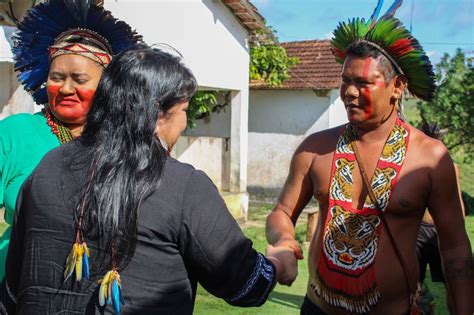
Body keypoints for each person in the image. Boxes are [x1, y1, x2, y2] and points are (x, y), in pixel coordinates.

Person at [0, 44, 295, 314]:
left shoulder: (49, 165)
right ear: (157, 115)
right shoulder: (184, 186)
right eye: (183, 111)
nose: (183, 123)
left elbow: (14, 288)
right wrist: (278, 261)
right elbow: (245, 285)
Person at [266, 1, 474, 314]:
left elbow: (456, 249)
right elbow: (282, 211)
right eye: (345, 80)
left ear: (398, 87)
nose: (349, 92)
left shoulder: (431, 158)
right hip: (317, 309)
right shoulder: (314, 149)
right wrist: (283, 241)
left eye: (363, 82)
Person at [0, 0, 141, 280]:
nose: (65, 88)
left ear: (106, 87)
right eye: (57, 77)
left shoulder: (124, 144)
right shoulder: (14, 134)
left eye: (79, 79)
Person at [416, 121, 466, 312]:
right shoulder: (413, 166)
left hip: (441, 232)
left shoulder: (450, 167)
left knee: (453, 282)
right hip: (417, 232)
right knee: (414, 284)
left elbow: (457, 199)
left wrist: (457, 232)